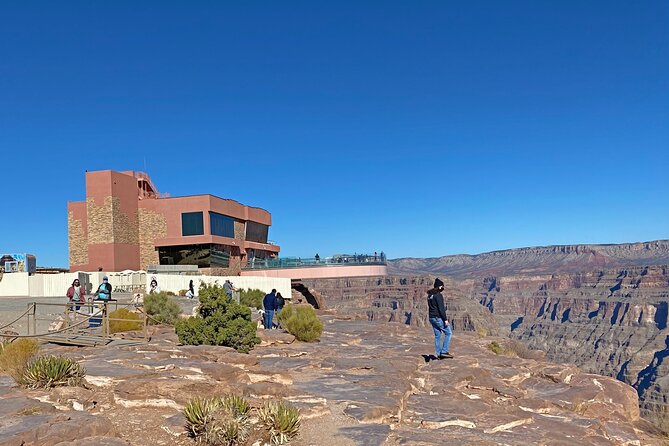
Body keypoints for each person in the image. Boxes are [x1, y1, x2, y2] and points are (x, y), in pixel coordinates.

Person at [427, 278, 452, 359]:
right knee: (448, 333)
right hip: (438, 318)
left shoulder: (430, 295)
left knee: (437, 336)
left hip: (432, 318)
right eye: (442, 286)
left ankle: (438, 354)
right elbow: (441, 309)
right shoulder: (438, 296)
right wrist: (445, 320)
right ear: (439, 287)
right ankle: (444, 352)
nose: (443, 288)